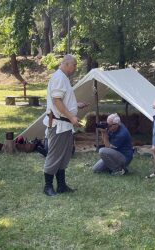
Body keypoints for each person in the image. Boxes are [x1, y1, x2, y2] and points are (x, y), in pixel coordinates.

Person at [42, 54, 88, 196]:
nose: (75, 68)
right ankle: (48, 186)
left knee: (63, 156)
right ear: (66, 64)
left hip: (65, 125)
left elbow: (63, 100)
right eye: (74, 65)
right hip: (59, 125)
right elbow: (57, 101)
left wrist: (75, 105)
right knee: (54, 155)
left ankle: (61, 185)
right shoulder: (59, 78)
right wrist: (72, 117)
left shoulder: (63, 78)